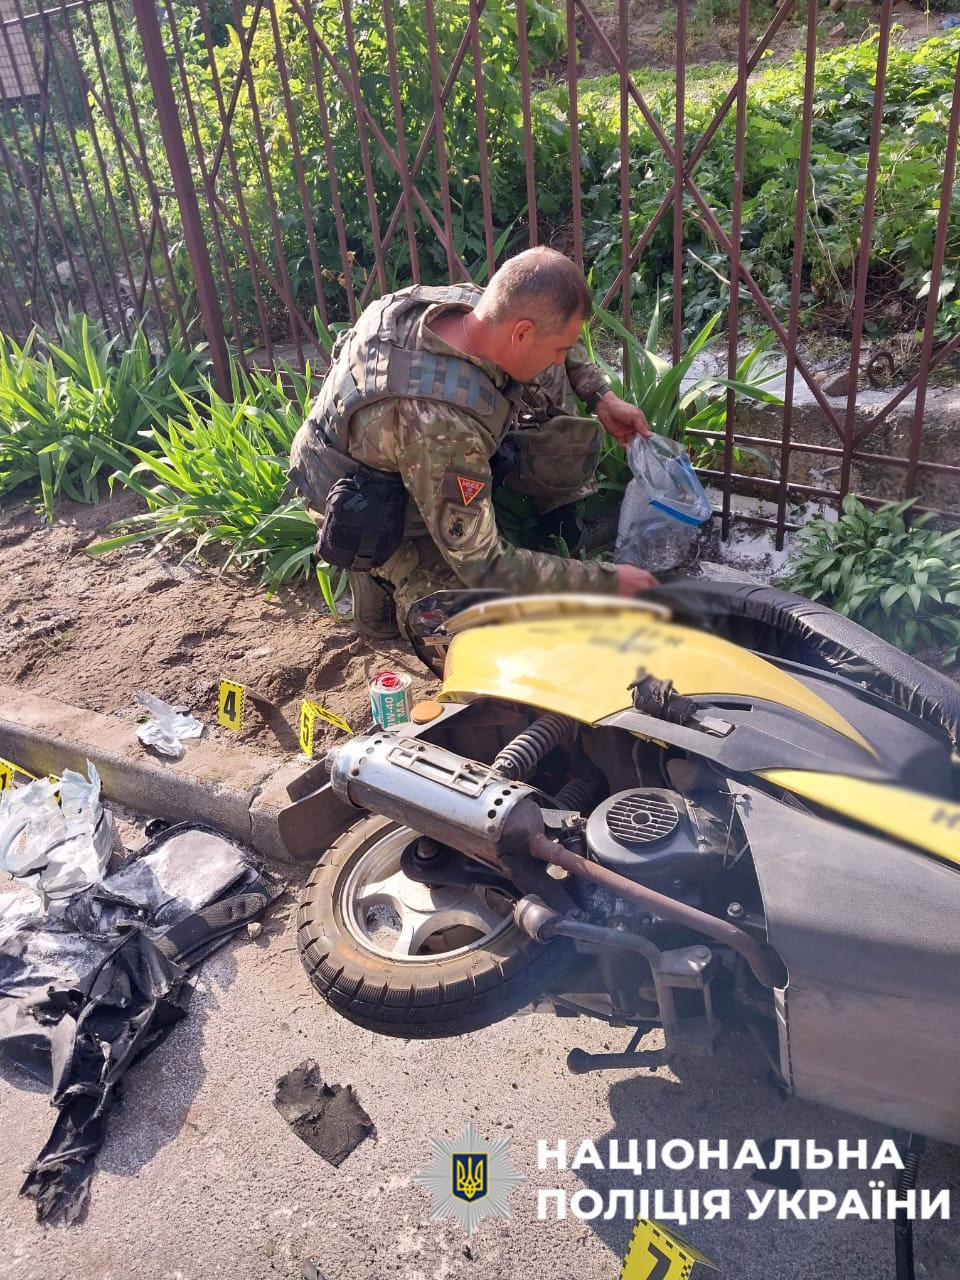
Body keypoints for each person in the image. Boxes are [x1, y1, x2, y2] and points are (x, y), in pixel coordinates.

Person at [289, 246, 659, 641]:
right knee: (479, 621)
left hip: (398, 448)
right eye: (559, 349)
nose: (560, 359)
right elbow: (485, 565)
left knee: (550, 376)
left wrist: (602, 397)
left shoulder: (474, 306)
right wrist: (607, 582)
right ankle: (383, 570)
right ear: (522, 333)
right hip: (363, 499)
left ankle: (557, 520)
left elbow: (556, 335)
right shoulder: (442, 425)